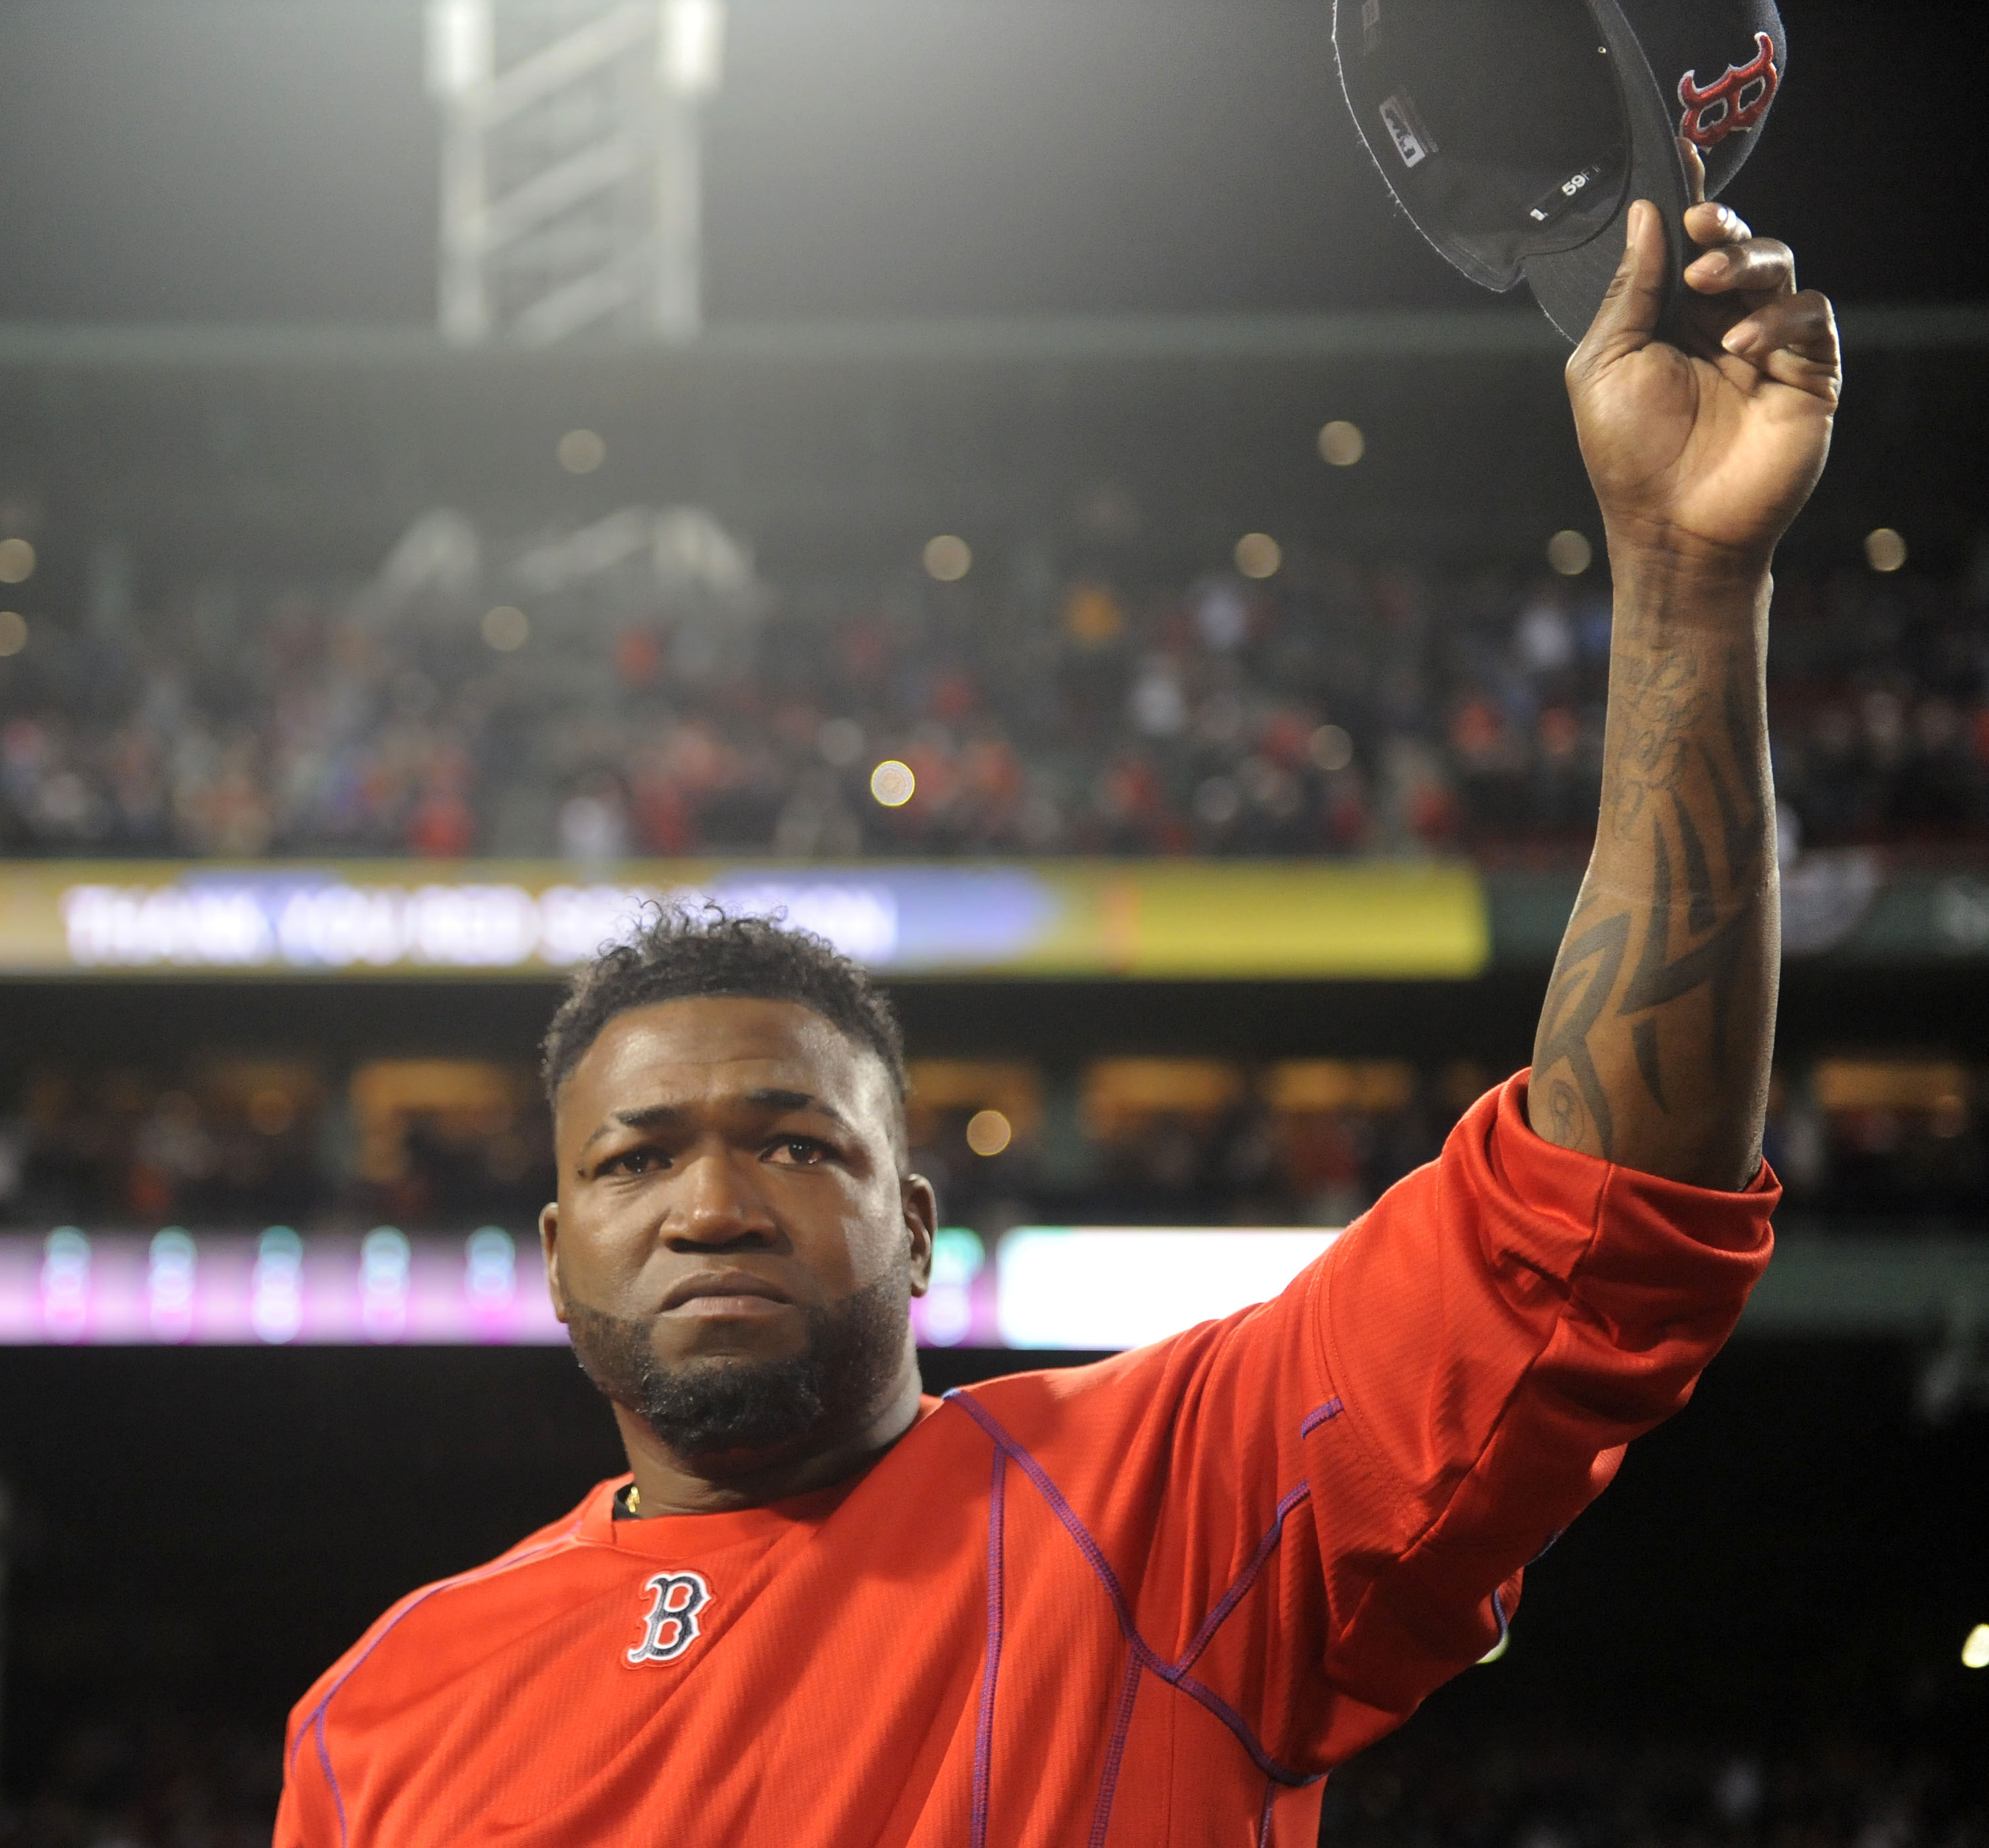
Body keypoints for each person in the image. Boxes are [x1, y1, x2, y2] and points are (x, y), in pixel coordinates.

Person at [273, 166, 1839, 1847]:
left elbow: (1598, 1213)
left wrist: (1687, 578)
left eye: (797, 1143)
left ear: (919, 1221)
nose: (714, 1203)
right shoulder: (384, 1710)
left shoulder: (1169, 1499)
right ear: (557, 1241)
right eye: (638, 1160)